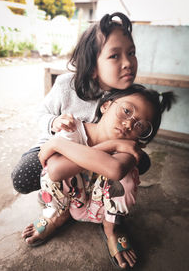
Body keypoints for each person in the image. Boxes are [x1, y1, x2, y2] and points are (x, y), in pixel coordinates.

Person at [22, 84, 176, 269]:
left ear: (142, 135)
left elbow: (115, 169)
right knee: (49, 170)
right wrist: (110, 146)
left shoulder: (129, 147)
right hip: (71, 201)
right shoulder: (73, 129)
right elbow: (55, 171)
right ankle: (56, 215)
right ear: (106, 106)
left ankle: (112, 229)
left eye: (140, 125)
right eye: (126, 111)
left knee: (127, 174)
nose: (128, 124)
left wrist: (58, 145)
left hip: (102, 210)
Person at [11, 11, 151, 195]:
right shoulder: (66, 85)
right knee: (22, 178)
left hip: (97, 154)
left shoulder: (128, 96)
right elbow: (40, 114)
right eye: (115, 56)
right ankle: (65, 195)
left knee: (141, 161)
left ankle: (87, 195)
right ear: (93, 66)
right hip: (59, 147)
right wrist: (54, 122)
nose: (128, 63)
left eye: (131, 53)